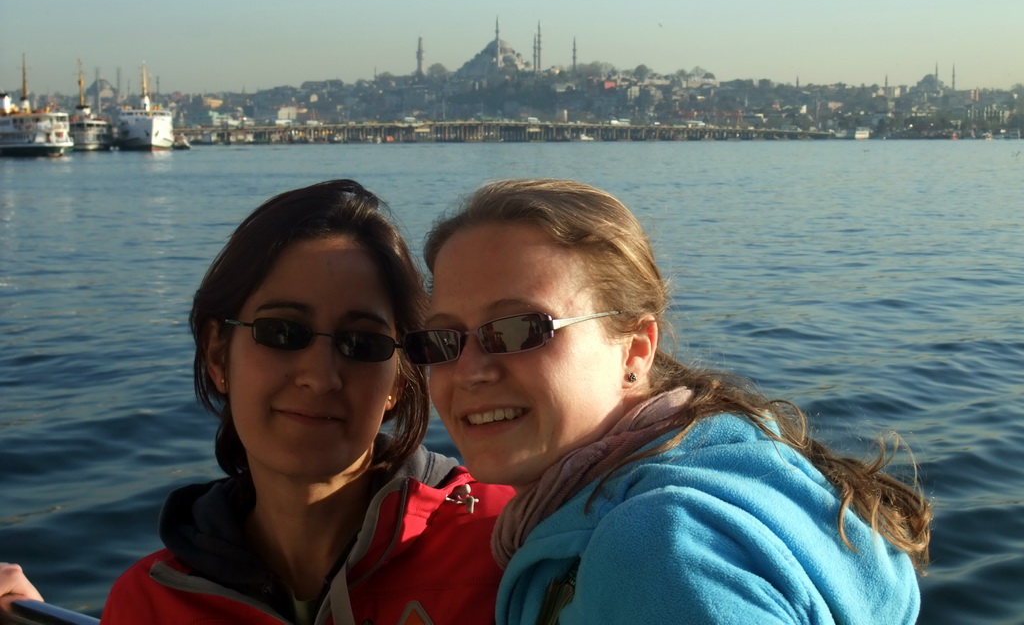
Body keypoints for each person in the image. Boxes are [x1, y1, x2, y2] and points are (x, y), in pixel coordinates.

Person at [403, 178, 932, 624]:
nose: (470, 370)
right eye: (443, 341)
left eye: (521, 330)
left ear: (636, 347)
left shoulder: (655, 550)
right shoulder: (744, 464)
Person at [90, 180, 512, 624]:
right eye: (282, 333)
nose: (319, 377)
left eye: (362, 343)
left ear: (400, 382)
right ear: (218, 355)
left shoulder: (508, 545)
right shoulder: (149, 606)